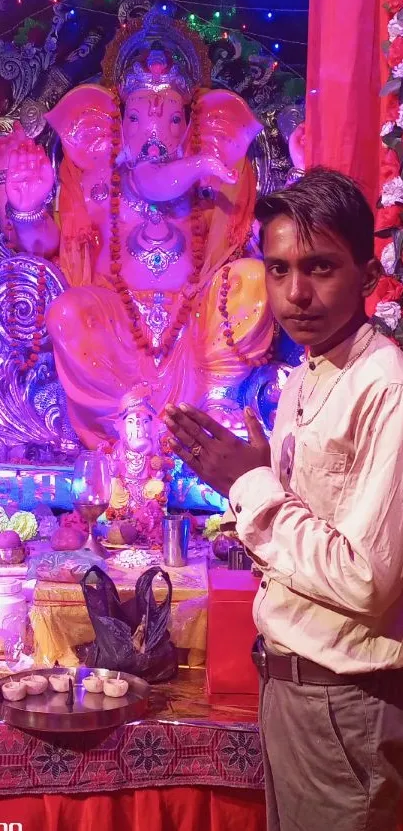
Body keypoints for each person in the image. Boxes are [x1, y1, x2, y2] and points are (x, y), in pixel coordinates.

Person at [164, 167, 403, 831]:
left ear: (366, 272)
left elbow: (366, 580)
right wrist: (255, 473)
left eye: (319, 266)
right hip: (293, 689)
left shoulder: (384, 385)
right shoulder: (305, 370)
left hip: (344, 700)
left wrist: (249, 483)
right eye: (277, 268)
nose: (295, 292)